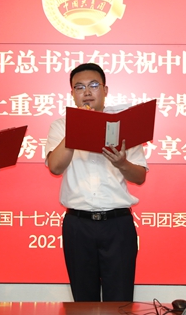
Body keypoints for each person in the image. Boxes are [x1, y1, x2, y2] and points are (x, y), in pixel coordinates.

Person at [45, 63, 148, 302]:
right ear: (72, 94)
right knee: (83, 300)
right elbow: (55, 167)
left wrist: (122, 163)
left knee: (120, 301)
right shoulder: (61, 126)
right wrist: (77, 127)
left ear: (105, 89)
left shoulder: (124, 125)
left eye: (93, 85)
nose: (87, 92)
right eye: (79, 87)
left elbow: (140, 176)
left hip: (117, 224)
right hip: (78, 225)